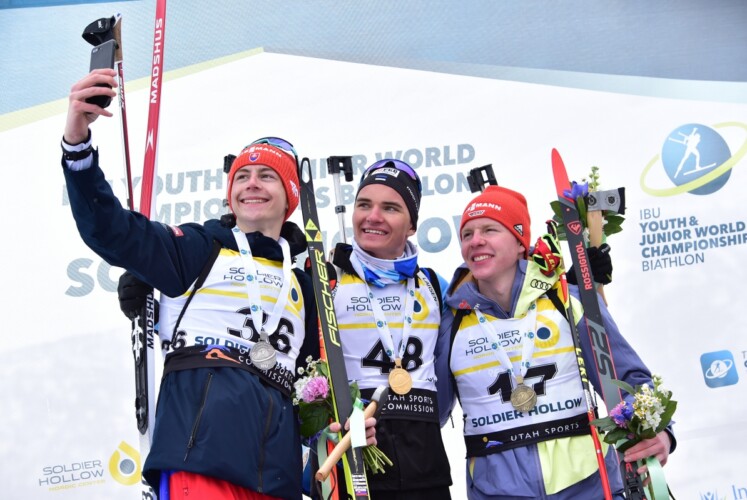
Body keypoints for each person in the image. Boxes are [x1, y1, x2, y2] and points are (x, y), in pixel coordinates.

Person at [61, 68, 325, 499]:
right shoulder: (200, 247)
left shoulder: (304, 284)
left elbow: (316, 389)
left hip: (277, 474)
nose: (251, 184)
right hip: (198, 460)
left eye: (267, 176)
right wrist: (78, 146)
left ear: (290, 195)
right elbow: (112, 230)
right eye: (242, 176)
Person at [436, 185, 675, 500]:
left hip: (590, 487)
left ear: (520, 242)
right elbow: (432, 414)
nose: (475, 240)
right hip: (498, 493)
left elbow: (629, 380)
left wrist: (660, 432)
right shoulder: (452, 321)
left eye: (489, 230)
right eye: (467, 234)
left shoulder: (569, 301)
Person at [324, 159, 453, 499]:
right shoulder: (328, 282)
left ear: (412, 225)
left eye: (390, 208)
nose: (373, 216)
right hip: (353, 461)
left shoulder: (434, 285)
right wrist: (325, 427)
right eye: (364, 205)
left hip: (425, 467)